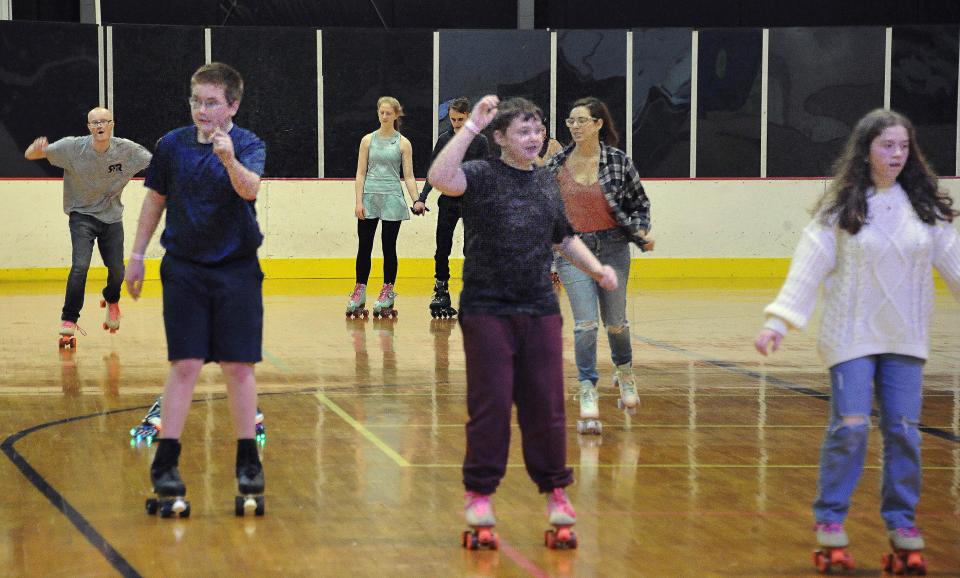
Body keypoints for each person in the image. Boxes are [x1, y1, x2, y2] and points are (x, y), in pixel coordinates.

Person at [754, 109, 960, 574]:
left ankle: (901, 522)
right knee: (850, 427)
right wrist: (779, 322)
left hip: (905, 338)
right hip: (850, 336)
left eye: (904, 147)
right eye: (887, 146)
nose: (896, 155)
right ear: (866, 149)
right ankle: (830, 520)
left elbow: (956, 267)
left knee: (904, 432)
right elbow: (808, 271)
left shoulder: (926, 212)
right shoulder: (842, 209)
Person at [427, 95, 618, 548]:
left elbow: (563, 238)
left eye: (539, 130)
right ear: (500, 138)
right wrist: (470, 126)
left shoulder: (548, 183)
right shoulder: (480, 175)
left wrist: (597, 269)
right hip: (487, 307)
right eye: (524, 132)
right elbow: (438, 177)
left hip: (538, 309)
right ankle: (479, 495)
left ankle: (556, 491)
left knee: (546, 406)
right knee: (491, 405)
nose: (535, 139)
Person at [124, 62, 267, 517]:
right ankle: (166, 463)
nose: (201, 110)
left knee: (237, 366)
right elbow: (155, 200)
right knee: (184, 364)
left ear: (232, 106)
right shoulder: (171, 145)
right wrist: (137, 254)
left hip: (236, 269)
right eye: (195, 101)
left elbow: (250, 191)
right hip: (183, 268)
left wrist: (227, 158)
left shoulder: (247, 144)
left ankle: (248, 464)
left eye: (210, 102)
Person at [544, 97, 653, 434]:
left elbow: (639, 204)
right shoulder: (556, 164)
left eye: (581, 120)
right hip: (574, 253)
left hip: (613, 249)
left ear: (597, 124)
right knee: (586, 324)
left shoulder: (618, 162)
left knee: (616, 323)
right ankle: (588, 389)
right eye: (570, 121)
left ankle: (624, 373)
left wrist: (641, 229)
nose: (575, 126)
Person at [24, 107, 152, 347]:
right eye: (94, 123)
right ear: (89, 127)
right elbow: (31, 155)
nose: (99, 126)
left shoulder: (127, 150)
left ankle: (111, 300)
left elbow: (156, 165)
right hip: (81, 216)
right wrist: (35, 149)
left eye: (104, 122)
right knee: (80, 266)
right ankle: (69, 319)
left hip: (112, 218)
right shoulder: (72, 148)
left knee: (117, 271)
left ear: (112, 124)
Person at [411, 97, 489, 318]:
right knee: (442, 248)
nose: (456, 124)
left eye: (460, 120)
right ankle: (441, 289)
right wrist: (422, 198)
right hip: (448, 201)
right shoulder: (444, 140)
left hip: (471, 202)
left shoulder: (480, 141)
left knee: (470, 249)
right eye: (453, 119)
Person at [346, 96, 420, 319]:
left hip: (391, 198)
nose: (385, 116)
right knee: (364, 245)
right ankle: (359, 290)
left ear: (396, 115)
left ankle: (388, 290)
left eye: (389, 113)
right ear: (378, 113)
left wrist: (416, 198)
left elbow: (408, 176)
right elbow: (360, 173)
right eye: (382, 112)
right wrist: (358, 201)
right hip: (370, 196)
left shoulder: (403, 143)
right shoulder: (367, 140)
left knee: (389, 246)